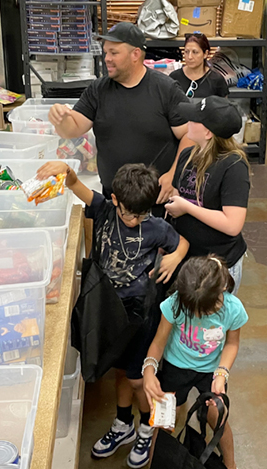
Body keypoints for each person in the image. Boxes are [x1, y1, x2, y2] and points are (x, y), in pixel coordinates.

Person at [37, 160, 190, 469]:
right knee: (120, 372)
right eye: (128, 213)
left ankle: (147, 428)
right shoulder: (106, 211)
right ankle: (124, 425)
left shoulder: (156, 227)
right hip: (109, 309)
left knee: (137, 379)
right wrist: (65, 171)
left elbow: (182, 241)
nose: (133, 220)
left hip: (140, 314)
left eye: (141, 214)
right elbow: (75, 185)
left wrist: (175, 257)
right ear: (116, 200)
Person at [48, 22, 191, 209]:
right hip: (112, 200)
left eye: (114, 53)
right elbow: (72, 130)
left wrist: (173, 175)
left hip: (155, 201)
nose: (107, 58)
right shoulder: (98, 90)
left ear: (135, 54)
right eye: (106, 52)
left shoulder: (165, 89)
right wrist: (60, 118)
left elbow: (191, 135)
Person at [143, 256, 248, 469]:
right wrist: (149, 369)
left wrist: (222, 373)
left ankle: (231, 467)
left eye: (206, 311)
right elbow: (159, 342)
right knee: (164, 421)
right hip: (175, 366)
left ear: (222, 290)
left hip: (212, 371)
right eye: (194, 311)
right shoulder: (174, 303)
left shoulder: (233, 309)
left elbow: (231, 343)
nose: (198, 317)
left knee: (217, 417)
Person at [164, 96, 250, 292]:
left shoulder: (234, 166)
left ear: (208, 132)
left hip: (218, 265)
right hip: (187, 258)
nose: (188, 121)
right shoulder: (188, 155)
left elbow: (232, 225)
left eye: (195, 119)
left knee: (213, 322)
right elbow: (178, 194)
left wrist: (187, 207)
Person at [169, 33, 229, 98]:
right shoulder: (174, 77)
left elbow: (224, 106)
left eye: (195, 52)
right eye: (187, 52)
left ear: (205, 54)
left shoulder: (216, 80)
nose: (190, 57)